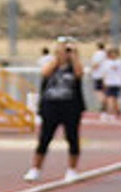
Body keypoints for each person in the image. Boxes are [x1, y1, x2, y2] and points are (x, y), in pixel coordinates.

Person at [27, 42, 86, 182]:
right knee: (44, 138)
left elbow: (79, 74)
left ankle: (72, 170)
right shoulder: (52, 64)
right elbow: (45, 73)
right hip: (51, 106)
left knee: (72, 138)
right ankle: (35, 169)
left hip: (71, 107)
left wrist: (74, 56)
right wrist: (58, 57)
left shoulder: (74, 66)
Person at [100, 46, 121, 120]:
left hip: (116, 83)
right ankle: (111, 113)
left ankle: (112, 113)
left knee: (113, 99)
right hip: (109, 83)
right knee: (110, 99)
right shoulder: (107, 63)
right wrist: (104, 82)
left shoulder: (119, 62)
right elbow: (104, 74)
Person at [88, 40, 108, 112]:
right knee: (104, 91)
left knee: (98, 91)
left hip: (98, 75)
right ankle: (105, 105)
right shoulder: (106, 54)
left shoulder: (98, 54)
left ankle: (104, 103)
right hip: (105, 75)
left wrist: (91, 70)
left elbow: (96, 64)